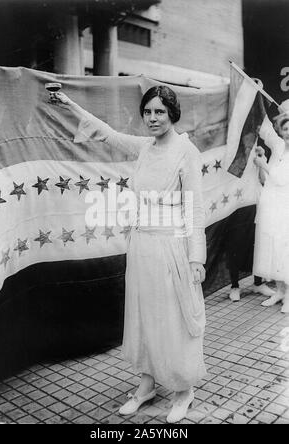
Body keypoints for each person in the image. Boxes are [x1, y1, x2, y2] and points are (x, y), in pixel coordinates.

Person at [52, 86, 207, 423]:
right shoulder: (145, 147)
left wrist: (197, 258)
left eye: (159, 112)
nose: (152, 118)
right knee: (145, 316)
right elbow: (107, 134)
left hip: (172, 247)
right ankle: (148, 384)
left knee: (175, 320)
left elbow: (194, 210)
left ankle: (184, 390)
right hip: (142, 246)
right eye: (148, 112)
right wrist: (68, 104)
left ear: (172, 114)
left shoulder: (186, 152)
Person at [253, 99, 289, 313]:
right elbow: (265, 129)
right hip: (271, 208)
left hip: (286, 209)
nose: (287, 133)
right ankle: (280, 291)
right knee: (273, 250)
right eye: (285, 129)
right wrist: (254, 96)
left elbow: (282, 180)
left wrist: (263, 164)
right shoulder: (278, 148)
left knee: (286, 250)